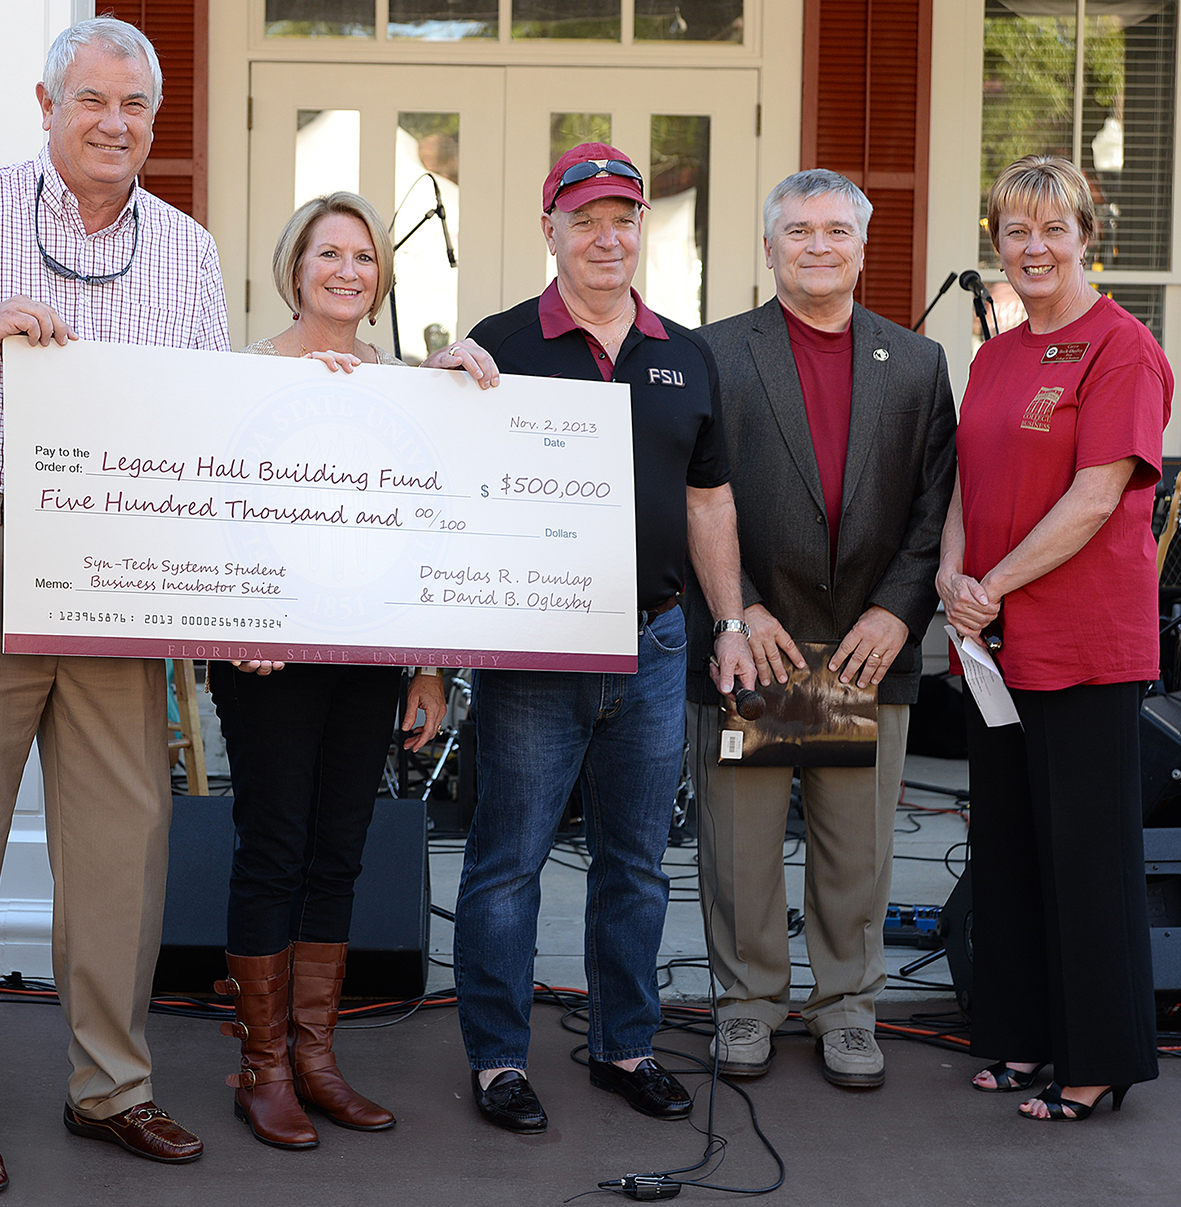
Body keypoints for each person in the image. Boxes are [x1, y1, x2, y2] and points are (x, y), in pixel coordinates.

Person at [0, 17, 229, 1191]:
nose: (115, 124)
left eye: (135, 108)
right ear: (46, 100)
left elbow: (213, 415)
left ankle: (112, 1086)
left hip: (123, 563)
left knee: (125, 835)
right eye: (93, 101)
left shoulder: (185, 248)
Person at [451, 143, 754, 1133]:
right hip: (537, 655)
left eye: (623, 217)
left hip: (657, 644)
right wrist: (436, 388)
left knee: (633, 861)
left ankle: (625, 1044)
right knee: (508, 862)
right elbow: (444, 477)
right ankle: (498, 1061)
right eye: (584, 219)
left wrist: (732, 620)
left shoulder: (685, 353)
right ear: (551, 230)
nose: (607, 236)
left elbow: (707, 498)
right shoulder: (501, 344)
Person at [210, 191, 500, 1150]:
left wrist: (429, 670)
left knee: (340, 848)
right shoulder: (244, 376)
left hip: (370, 658)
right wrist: (230, 624)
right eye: (329, 252)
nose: (348, 270)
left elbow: (426, 534)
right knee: (273, 846)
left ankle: (317, 1059)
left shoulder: (403, 383)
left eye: (365, 257)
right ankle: (261, 1070)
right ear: (296, 265)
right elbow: (214, 517)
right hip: (270, 659)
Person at [686, 169, 956, 1089]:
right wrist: (740, 606)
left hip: (863, 650)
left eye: (836, 229)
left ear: (862, 245)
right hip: (756, 642)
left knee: (857, 850)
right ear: (769, 248)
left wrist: (897, 610)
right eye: (797, 230)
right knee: (742, 849)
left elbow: (936, 505)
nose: (818, 245)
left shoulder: (915, 363)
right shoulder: (715, 354)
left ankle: (847, 1008)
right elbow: (694, 495)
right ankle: (750, 1005)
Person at [938, 154, 1166, 1121]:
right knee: (1010, 849)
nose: (1033, 248)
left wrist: (987, 585)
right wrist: (952, 576)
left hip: (1081, 644)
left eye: (1051, 230)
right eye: (1014, 232)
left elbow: (1096, 496)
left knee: (1087, 852)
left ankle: (1100, 1057)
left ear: (1086, 236)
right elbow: (967, 483)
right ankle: (1023, 1035)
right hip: (991, 640)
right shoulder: (996, 352)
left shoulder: (1123, 347)